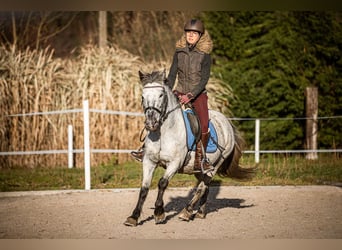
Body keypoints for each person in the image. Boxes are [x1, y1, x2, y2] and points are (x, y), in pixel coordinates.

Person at [131, 19, 213, 172]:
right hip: (179, 90)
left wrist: (191, 95)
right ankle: (144, 149)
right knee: (157, 113)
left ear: (200, 35)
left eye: (194, 33)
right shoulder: (179, 51)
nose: (190, 35)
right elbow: (173, 73)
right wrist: (167, 90)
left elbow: (204, 80)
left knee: (203, 123)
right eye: (188, 32)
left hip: (198, 94)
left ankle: (201, 159)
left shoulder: (205, 55)